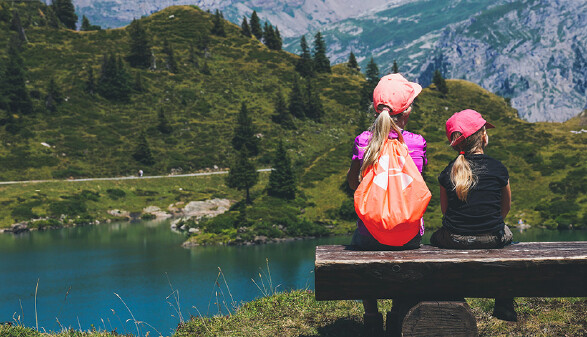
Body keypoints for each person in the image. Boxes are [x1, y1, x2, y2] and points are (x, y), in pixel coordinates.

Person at [346, 73, 427, 334]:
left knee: (360, 238)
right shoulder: (416, 143)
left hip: (369, 235)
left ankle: (371, 314)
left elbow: (353, 184)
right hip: (409, 236)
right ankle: (397, 312)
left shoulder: (362, 142)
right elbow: (414, 186)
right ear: (408, 111)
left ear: (375, 108)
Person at [431, 109, 516, 321]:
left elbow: (445, 211)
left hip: (455, 239)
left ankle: (455, 297)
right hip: (491, 237)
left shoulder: (448, 171)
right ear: (483, 136)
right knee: (507, 234)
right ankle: (504, 303)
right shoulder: (498, 168)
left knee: (435, 238)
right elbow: (504, 209)